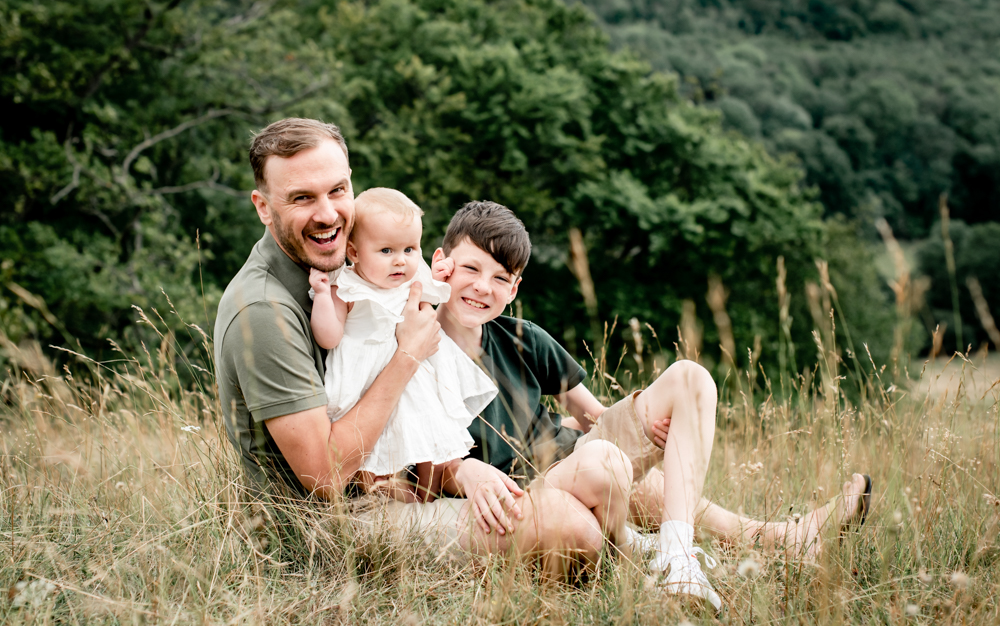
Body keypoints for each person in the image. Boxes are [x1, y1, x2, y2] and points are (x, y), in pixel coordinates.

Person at [215, 118, 613, 577]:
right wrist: (408, 355)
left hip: (406, 476)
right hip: (334, 524)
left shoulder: (353, 259)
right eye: (302, 198)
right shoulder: (264, 310)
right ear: (263, 207)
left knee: (626, 485)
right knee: (574, 528)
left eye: (338, 190)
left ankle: (676, 545)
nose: (327, 214)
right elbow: (324, 477)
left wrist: (460, 470)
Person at [429, 201, 873, 610]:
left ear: (515, 287)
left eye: (501, 278)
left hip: (573, 454)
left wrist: (647, 432)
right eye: (471, 268)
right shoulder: (415, 347)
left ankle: (700, 552)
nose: (483, 287)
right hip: (534, 486)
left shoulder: (524, 337)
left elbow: (594, 417)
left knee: (689, 379)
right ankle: (756, 540)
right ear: (441, 264)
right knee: (605, 462)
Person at [307, 187, 497, 501]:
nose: (401, 261)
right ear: (354, 252)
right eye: (386, 251)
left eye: (410, 249)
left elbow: (435, 293)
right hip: (366, 381)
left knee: (430, 428)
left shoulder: (410, 278)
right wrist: (324, 296)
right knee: (372, 445)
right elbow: (329, 336)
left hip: (416, 374)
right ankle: (383, 490)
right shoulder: (347, 287)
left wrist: (439, 275)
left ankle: (429, 492)